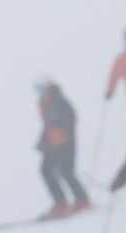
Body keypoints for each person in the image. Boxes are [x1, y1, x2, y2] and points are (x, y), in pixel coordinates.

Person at [35, 81, 91, 220]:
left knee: (67, 171)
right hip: (52, 145)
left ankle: (82, 200)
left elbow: (70, 120)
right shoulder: (45, 103)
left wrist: (61, 135)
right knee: (45, 170)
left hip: (66, 144)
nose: (41, 92)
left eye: (43, 89)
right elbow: (48, 126)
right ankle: (60, 202)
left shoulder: (61, 103)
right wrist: (42, 142)